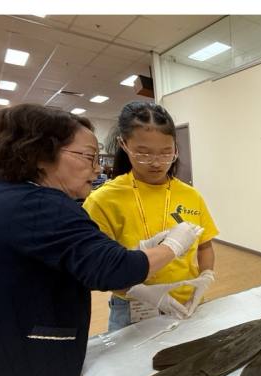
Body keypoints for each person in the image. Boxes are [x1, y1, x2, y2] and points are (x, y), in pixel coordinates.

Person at [0, 104, 203, 376]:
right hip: (12, 365)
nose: (97, 168)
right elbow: (111, 269)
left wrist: (139, 252)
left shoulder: (1, 200)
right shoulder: (41, 206)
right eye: (89, 157)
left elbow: (80, 261)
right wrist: (173, 245)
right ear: (41, 154)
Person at [84, 101, 218, 331]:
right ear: (124, 145)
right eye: (143, 153)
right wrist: (140, 291)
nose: (156, 163)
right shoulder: (103, 200)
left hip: (187, 300)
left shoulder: (190, 195)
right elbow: (98, 267)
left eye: (166, 153)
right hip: (133, 307)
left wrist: (205, 277)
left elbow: (205, 245)